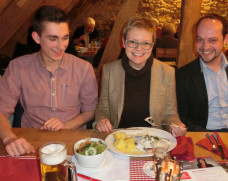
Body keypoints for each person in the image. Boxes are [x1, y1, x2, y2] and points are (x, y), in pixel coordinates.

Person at [0, 6, 98, 156]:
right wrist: (9, 138)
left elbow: (90, 111)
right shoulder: (17, 67)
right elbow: (1, 110)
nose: (61, 46)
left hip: (74, 142)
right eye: (53, 39)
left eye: (65, 38)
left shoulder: (84, 68)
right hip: (32, 142)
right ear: (36, 37)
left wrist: (65, 125)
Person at [93, 16, 186, 137]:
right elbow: (103, 108)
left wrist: (175, 124)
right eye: (132, 42)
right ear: (123, 42)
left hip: (153, 140)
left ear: (152, 45)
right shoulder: (109, 71)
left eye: (146, 43)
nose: (139, 48)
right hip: (119, 139)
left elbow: (170, 114)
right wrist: (101, 120)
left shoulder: (167, 72)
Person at [176, 14, 228, 132]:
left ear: (225, 40)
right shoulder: (183, 75)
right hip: (204, 135)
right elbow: (184, 117)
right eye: (199, 39)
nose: (205, 47)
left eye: (212, 40)